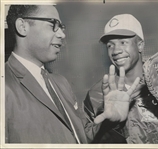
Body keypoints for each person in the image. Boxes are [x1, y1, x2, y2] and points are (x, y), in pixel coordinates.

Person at [5, 5, 140, 143]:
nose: (62, 35)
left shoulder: (60, 83)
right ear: (22, 26)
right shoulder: (5, 86)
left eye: (61, 27)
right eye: (53, 24)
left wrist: (111, 123)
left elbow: (82, 138)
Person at [84, 14, 158, 143]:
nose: (116, 50)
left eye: (123, 42)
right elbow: (87, 141)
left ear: (140, 45)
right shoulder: (97, 95)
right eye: (110, 45)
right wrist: (110, 126)